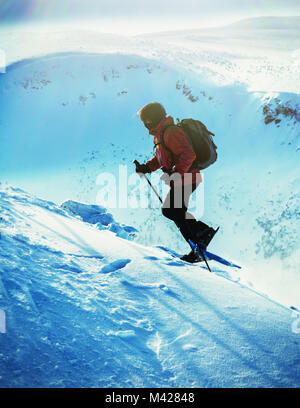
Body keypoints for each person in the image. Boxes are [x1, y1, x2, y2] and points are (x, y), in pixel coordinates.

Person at [134, 102, 217, 263]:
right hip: (182, 179)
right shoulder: (159, 135)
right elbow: (160, 159)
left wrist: (177, 173)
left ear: (152, 120)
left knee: (171, 210)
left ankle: (202, 236)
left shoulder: (171, 132)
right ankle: (198, 242)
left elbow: (188, 155)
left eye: (146, 121)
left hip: (188, 178)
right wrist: (146, 167)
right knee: (174, 212)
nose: (145, 125)